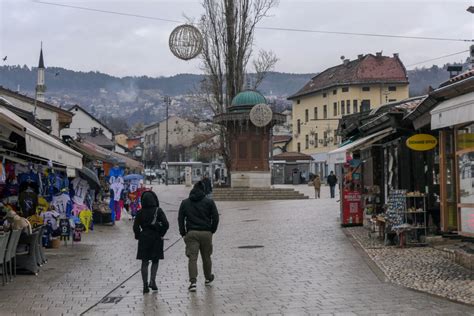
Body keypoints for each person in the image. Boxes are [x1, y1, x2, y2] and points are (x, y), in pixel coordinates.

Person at [178, 181, 219, 292]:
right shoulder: (209, 202)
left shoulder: (185, 203)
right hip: (206, 233)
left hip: (191, 233)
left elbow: (180, 219)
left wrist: (183, 233)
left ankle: (193, 282)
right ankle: (208, 278)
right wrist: (212, 230)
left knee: (192, 258)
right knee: (206, 257)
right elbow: (215, 217)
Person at [133, 191, 169, 294]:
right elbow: (166, 224)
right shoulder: (158, 210)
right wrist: (161, 233)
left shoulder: (140, 212)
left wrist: (138, 235)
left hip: (144, 238)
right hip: (156, 238)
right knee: (155, 260)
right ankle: (152, 281)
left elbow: (135, 226)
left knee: (144, 262)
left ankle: (145, 285)